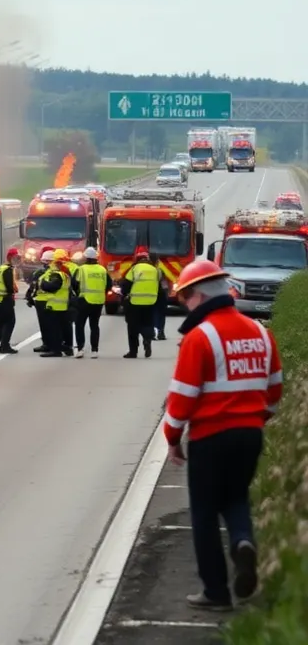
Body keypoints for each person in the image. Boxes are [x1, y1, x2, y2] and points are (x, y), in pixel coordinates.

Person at [164, 259, 282, 611]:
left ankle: (215, 592)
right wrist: (257, 419)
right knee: (235, 498)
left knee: (203, 512)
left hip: (210, 438)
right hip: (250, 434)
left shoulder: (200, 337)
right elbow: (274, 390)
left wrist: (172, 438)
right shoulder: (261, 332)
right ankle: (243, 541)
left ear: (197, 296)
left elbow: (182, 398)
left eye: (186, 298)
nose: (185, 305)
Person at [121, 247, 160, 358]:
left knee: (133, 327)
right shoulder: (155, 270)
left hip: (135, 302)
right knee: (147, 324)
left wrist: (124, 295)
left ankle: (133, 352)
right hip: (151, 301)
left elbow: (126, 285)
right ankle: (147, 339)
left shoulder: (135, 268)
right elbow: (159, 287)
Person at [73, 247, 109, 358]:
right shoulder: (102, 269)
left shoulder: (81, 269)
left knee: (79, 325)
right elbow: (109, 284)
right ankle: (94, 350)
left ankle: (80, 349)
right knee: (94, 325)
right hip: (98, 301)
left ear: (86, 258)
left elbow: (74, 283)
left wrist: (78, 293)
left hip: (84, 300)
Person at [38, 250, 74, 358]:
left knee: (54, 330)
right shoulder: (65, 275)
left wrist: (43, 283)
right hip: (62, 306)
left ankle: (56, 350)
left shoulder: (57, 275)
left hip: (55, 306)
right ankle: (66, 348)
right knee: (61, 328)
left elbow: (52, 287)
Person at [0, 247, 21, 354]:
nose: (17, 260)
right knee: (9, 322)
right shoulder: (8, 270)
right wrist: (14, 289)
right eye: (15, 258)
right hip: (5, 300)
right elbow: (9, 287)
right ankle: (5, 346)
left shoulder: (0, 268)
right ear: (9, 258)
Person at [27, 247, 55, 352]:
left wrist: (29, 298)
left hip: (42, 301)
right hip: (49, 301)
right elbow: (33, 286)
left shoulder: (40, 273)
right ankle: (49, 344)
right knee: (49, 324)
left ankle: (48, 344)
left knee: (46, 324)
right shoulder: (56, 272)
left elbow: (33, 287)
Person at [151, 255, 171, 340]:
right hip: (160, 294)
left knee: (152, 314)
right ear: (157, 261)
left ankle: (153, 333)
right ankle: (161, 332)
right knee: (161, 314)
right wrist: (167, 294)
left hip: (150, 295)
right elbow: (164, 285)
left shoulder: (145, 271)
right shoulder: (159, 271)